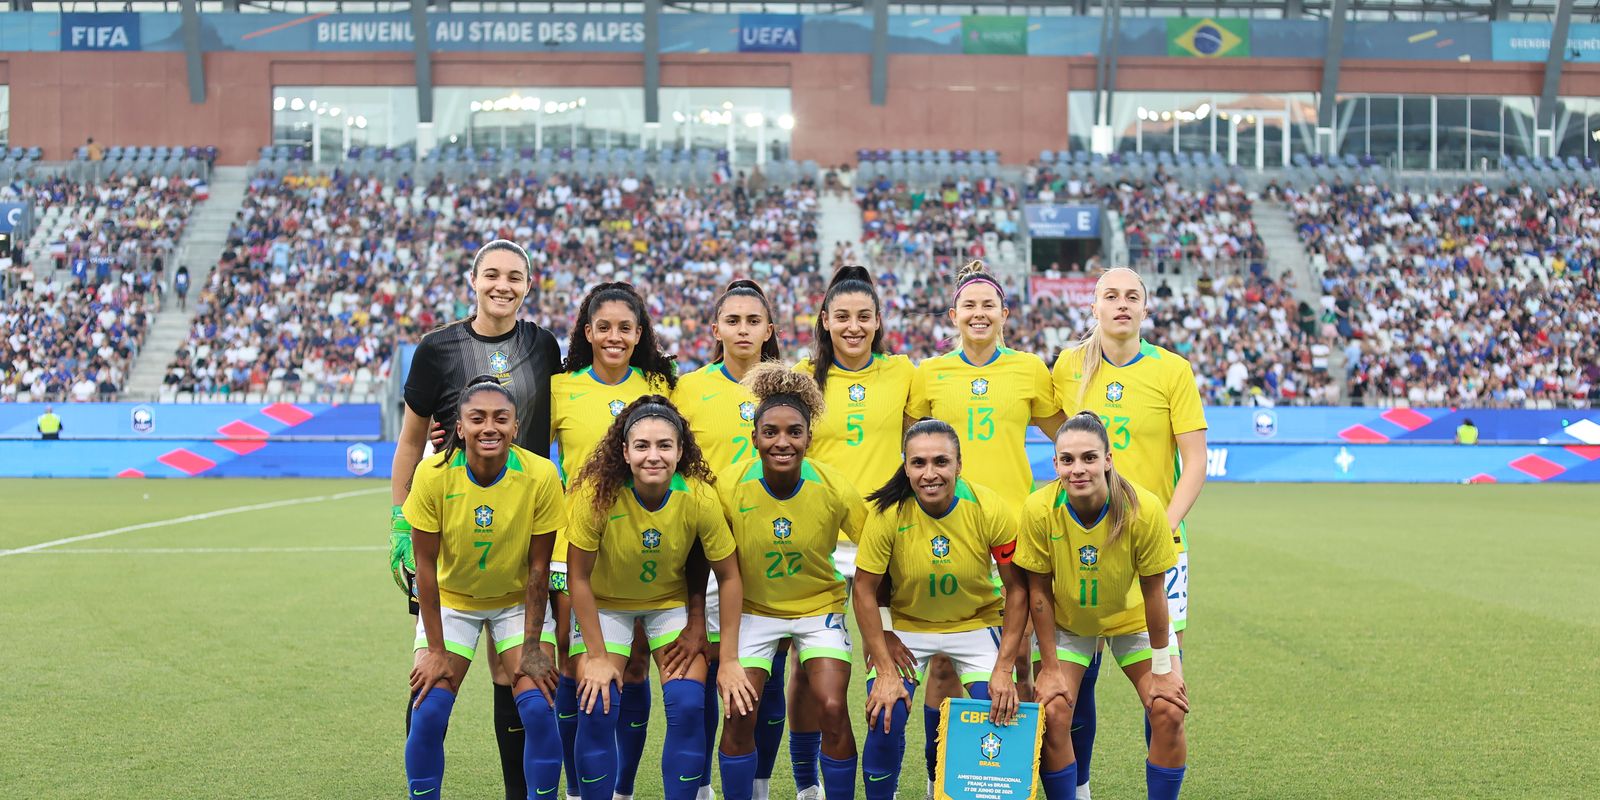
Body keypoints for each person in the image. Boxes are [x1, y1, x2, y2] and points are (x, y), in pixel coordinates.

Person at [390, 239, 562, 800]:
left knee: (514, 676)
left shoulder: (543, 345)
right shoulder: (437, 348)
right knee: (434, 673)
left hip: (525, 528)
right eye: (492, 274)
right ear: (473, 279)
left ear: (528, 286)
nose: (502, 286)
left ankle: (519, 791)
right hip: (454, 532)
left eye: (514, 276)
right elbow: (412, 440)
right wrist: (399, 520)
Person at [1050, 267, 1206, 800]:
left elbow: (1195, 462)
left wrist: (1161, 529)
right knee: (1079, 678)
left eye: (1132, 296)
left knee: (1164, 688)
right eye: (1110, 296)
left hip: (1156, 550)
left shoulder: (1173, 370)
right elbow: (1063, 442)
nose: (1122, 304)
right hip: (1081, 544)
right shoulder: (1069, 366)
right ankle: (1081, 788)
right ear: (1093, 307)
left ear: (1145, 308)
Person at [907, 260, 1062, 792]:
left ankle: (1017, 777)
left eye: (988, 305)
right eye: (969, 305)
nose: (979, 313)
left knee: (1019, 661)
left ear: (1005, 314)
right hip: (948, 532)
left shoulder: (1030, 369)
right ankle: (941, 780)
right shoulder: (929, 373)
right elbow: (908, 445)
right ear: (953, 315)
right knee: (944, 665)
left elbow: (1067, 435)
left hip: (1014, 529)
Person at [565, 396, 758, 800]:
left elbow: (729, 576)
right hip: (605, 604)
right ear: (625, 451)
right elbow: (578, 578)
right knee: (596, 703)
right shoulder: (595, 495)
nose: (653, 456)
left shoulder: (700, 496)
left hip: (668, 604)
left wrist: (727, 657)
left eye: (664, 445)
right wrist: (596, 656)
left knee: (687, 705)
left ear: (680, 450)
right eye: (642, 446)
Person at [402, 376, 569, 799]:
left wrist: (532, 645)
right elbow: (425, 567)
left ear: (516, 426)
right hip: (452, 603)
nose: (489, 427)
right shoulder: (432, 474)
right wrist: (435, 650)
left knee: (539, 708)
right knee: (428, 711)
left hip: (516, 602)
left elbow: (539, 567)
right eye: (477, 419)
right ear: (460, 427)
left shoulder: (540, 474)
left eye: (500, 418)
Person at [548, 282, 680, 800]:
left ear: (639, 334)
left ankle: (621, 789)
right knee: (574, 664)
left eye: (625, 328)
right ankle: (577, 789)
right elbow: (528, 452)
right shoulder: (562, 388)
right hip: (574, 546)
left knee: (635, 664)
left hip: (642, 544)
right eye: (603, 327)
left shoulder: (659, 386)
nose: (614, 337)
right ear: (587, 332)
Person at [851, 419, 1029, 800]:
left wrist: (1003, 669)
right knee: (886, 714)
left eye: (940, 462)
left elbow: (1017, 590)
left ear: (959, 465)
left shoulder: (988, 507)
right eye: (918, 463)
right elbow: (864, 589)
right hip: (908, 628)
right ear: (905, 466)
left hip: (976, 624)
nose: (929, 474)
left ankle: (940, 781)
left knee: (996, 711)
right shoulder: (887, 514)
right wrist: (885, 657)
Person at [791, 264, 914, 798]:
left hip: (882, 543)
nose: (853, 326)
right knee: (807, 670)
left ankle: (884, 784)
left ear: (879, 320)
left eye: (864, 316)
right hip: (816, 542)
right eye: (842, 316)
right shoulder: (802, 376)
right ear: (825, 320)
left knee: (885, 659)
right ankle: (806, 786)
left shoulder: (903, 372)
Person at [1018, 413, 1188, 800]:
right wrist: (1050, 667)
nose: (1078, 469)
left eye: (1089, 458)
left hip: (1134, 621)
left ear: (1108, 459)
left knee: (1168, 709)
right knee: (1053, 711)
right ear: (1055, 463)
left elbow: (1154, 592)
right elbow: (1038, 593)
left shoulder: (1143, 509)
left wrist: (1163, 668)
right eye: (1067, 459)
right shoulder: (1038, 509)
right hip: (1070, 624)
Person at [715, 365, 865, 800]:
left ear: (809, 438)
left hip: (818, 609)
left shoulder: (834, 487)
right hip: (753, 611)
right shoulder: (729, 486)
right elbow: (705, 559)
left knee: (832, 707)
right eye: (771, 432)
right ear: (754, 437)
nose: (782, 442)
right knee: (739, 712)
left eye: (794, 432)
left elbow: (878, 550)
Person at [672, 279, 790, 800]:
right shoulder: (688, 389)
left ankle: (757, 786)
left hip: (772, 547)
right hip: (703, 552)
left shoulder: (788, 387)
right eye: (733, 320)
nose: (744, 329)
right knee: (703, 668)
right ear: (715, 329)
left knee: (768, 675)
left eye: (753, 321)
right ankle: (700, 786)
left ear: (769, 330)